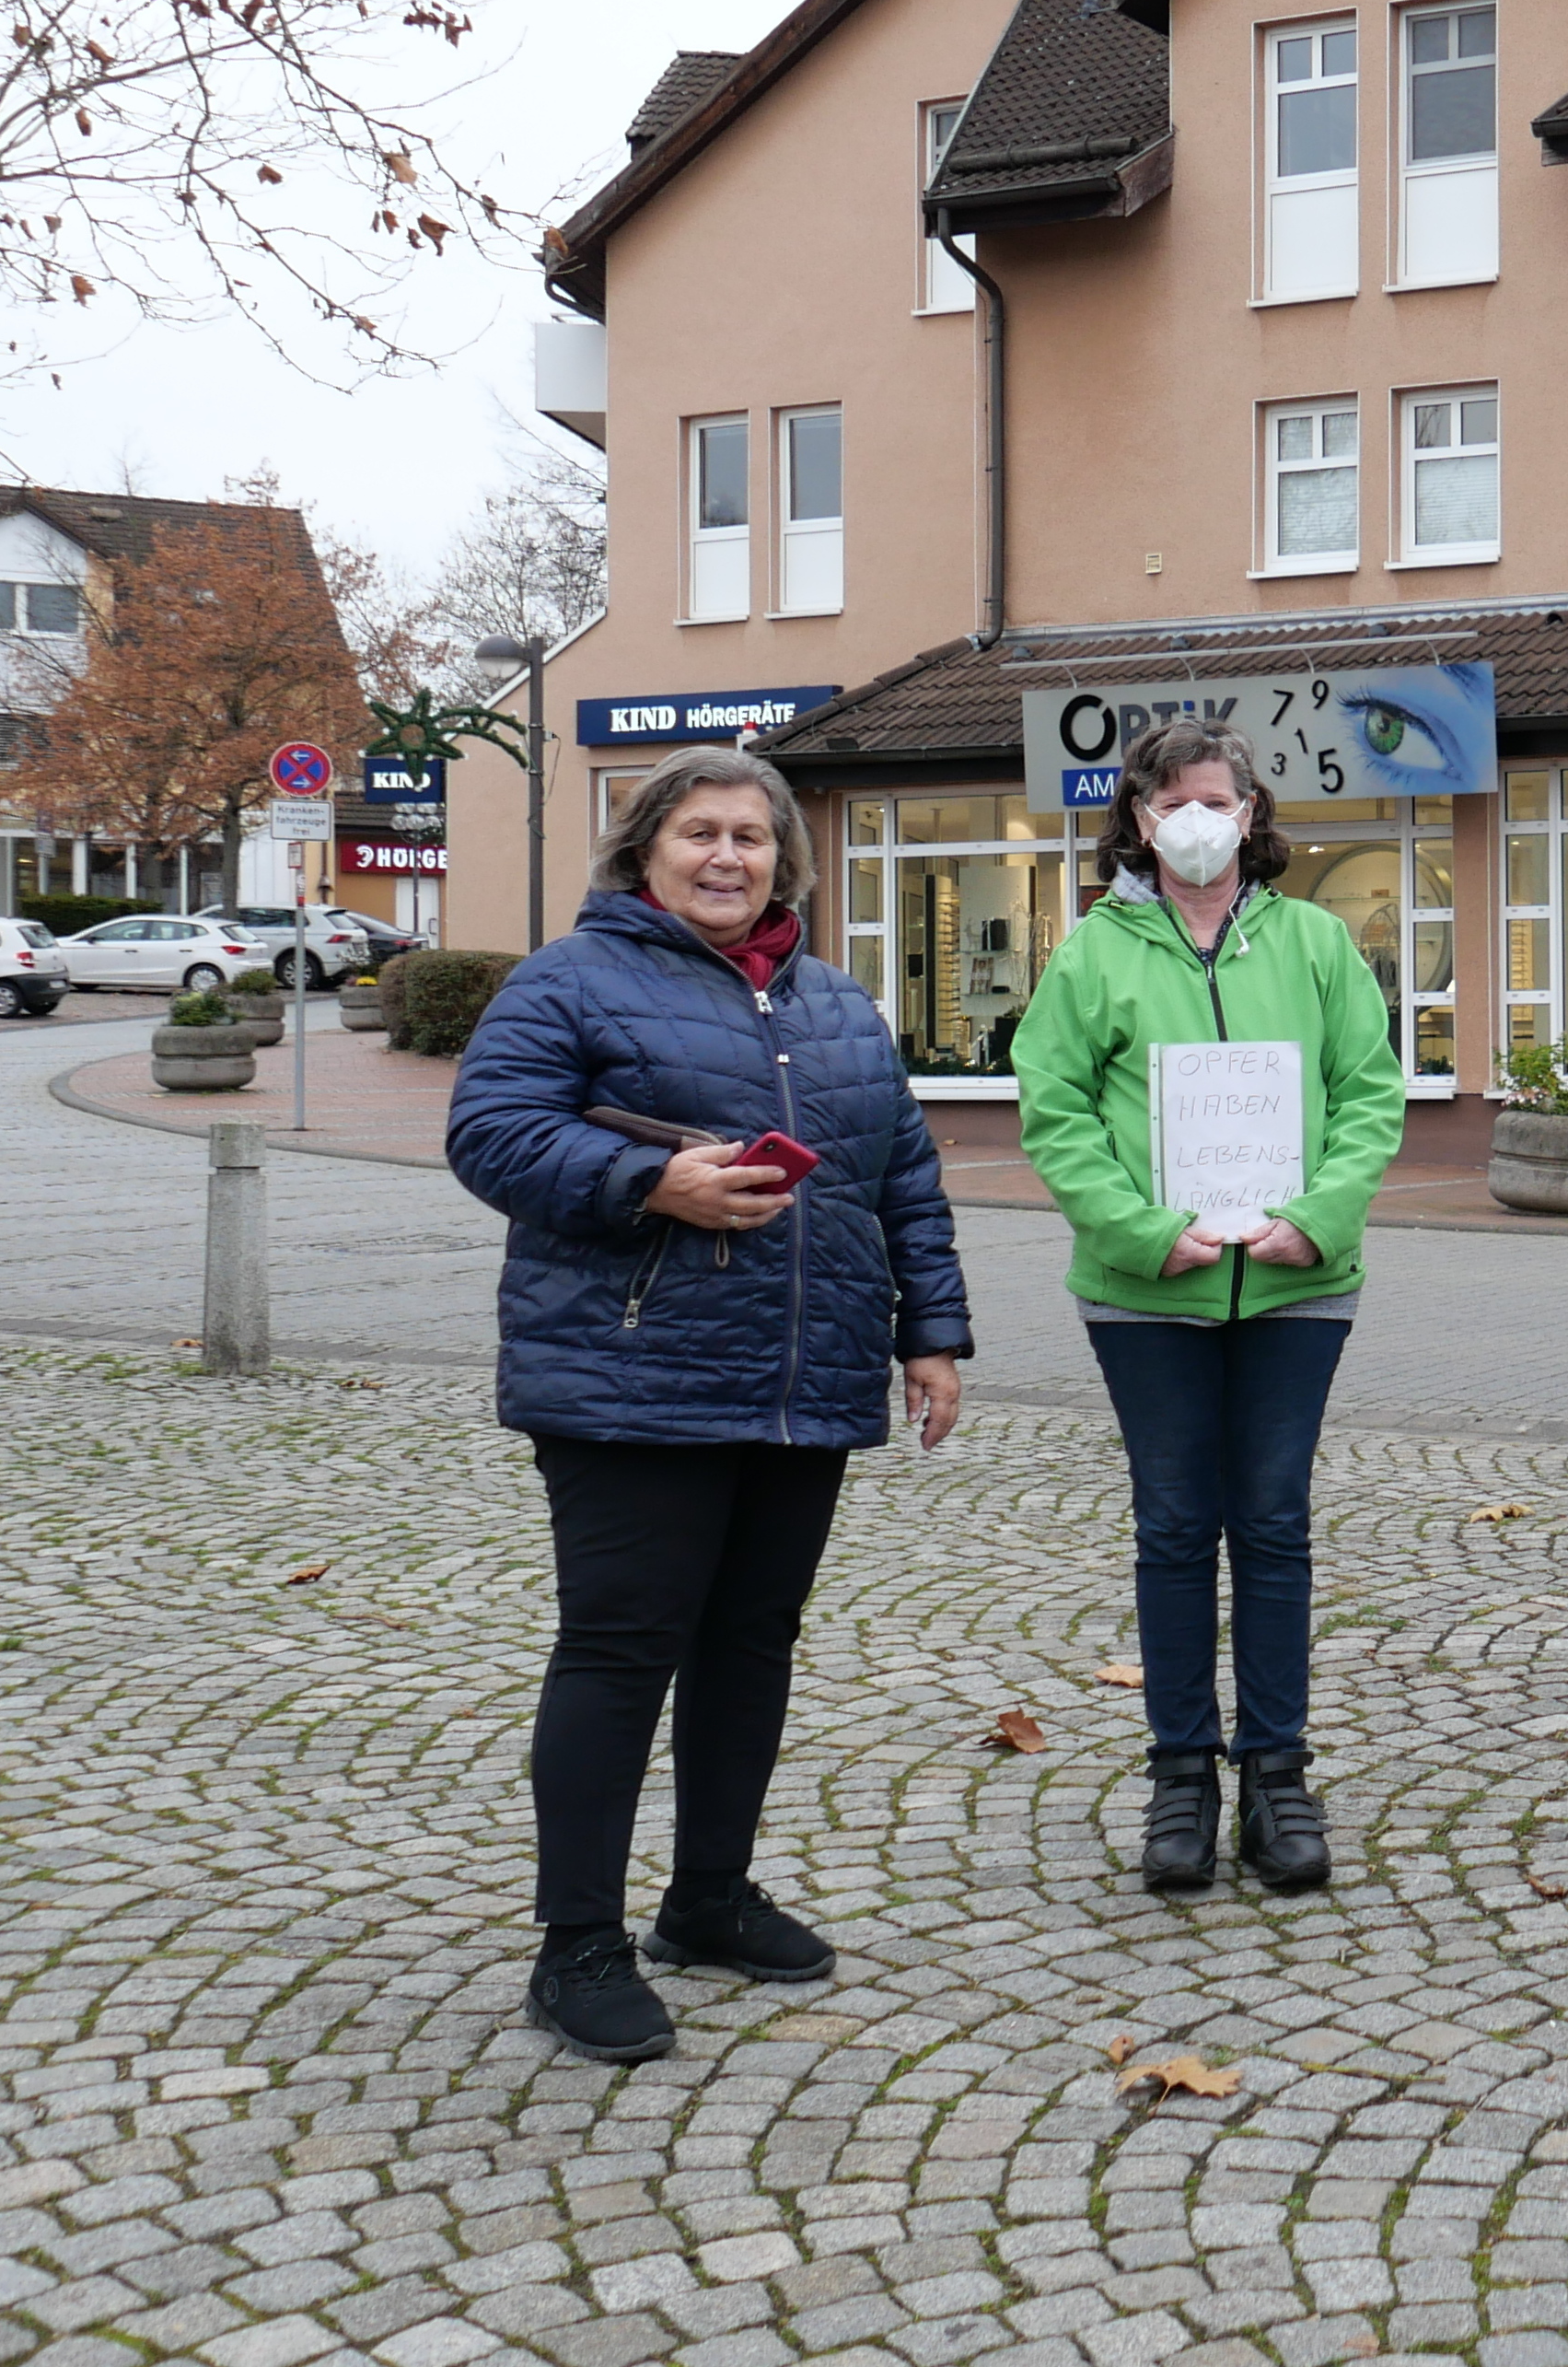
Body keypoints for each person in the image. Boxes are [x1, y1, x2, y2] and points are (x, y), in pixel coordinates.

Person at [446, 745, 971, 2067]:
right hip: (632, 1379)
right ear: (645, 851)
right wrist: (646, 1184)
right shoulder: (568, 981)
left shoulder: (837, 1007)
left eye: (751, 836)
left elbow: (900, 1178)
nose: (728, 857)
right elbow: (492, 1133)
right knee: (621, 1656)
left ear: (785, 859)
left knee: (750, 1647)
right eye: (700, 834)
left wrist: (934, 1335)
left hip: (802, 1381)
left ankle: (709, 1898)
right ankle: (577, 1947)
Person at [1010, 720, 1408, 1896]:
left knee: (1274, 1525)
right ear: (1139, 817)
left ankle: (1277, 1777)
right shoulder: (1092, 955)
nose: (1195, 819)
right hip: (1148, 1294)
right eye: (1170, 800)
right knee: (1176, 1529)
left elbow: (1369, 1097)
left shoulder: (1318, 942)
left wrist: (1318, 1221)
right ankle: (1180, 1774)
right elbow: (1057, 1109)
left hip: (1298, 1286)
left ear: (1250, 813)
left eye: (1217, 799)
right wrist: (1142, 1232)